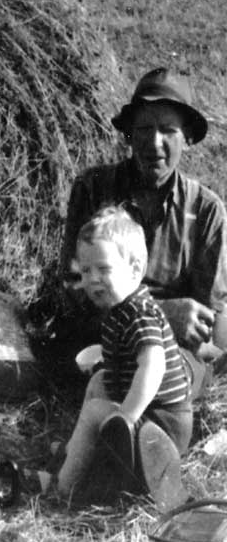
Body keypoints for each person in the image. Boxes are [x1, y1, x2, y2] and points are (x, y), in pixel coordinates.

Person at [32, 68, 227, 388]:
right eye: (144, 128)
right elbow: (74, 288)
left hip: (171, 352)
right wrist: (160, 313)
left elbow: (208, 316)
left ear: (187, 138)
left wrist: (189, 330)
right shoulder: (93, 188)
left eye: (168, 130)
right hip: (100, 338)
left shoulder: (206, 210)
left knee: (167, 380)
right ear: (129, 135)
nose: (154, 142)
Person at [51, 206, 190, 510]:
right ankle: (76, 449)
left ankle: (63, 487)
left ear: (135, 269)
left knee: (95, 411)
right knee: (100, 381)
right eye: (86, 271)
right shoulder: (121, 309)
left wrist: (126, 416)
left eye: (103, 269)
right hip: (149, 414)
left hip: (161, 428)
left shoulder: (140, 314)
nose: (93, 280)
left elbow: (153, 366)